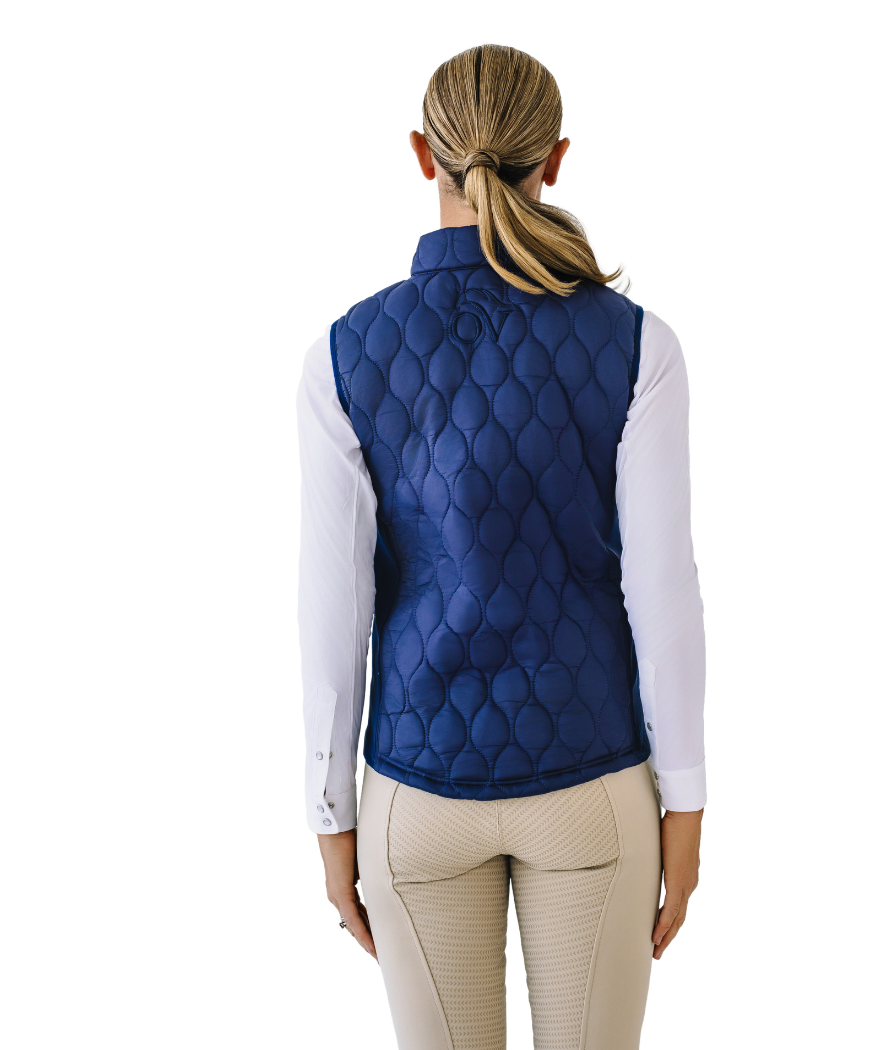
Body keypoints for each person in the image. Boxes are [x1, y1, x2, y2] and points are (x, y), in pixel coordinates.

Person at [297, 43, 705, 1050]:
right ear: (554, 160)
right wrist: (688, 805)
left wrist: (331, 816)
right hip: (592, 784)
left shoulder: (343, 357)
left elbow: (332, 610)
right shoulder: (638, 345)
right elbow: (663, 591)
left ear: (421, 155)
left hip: (414, 791)